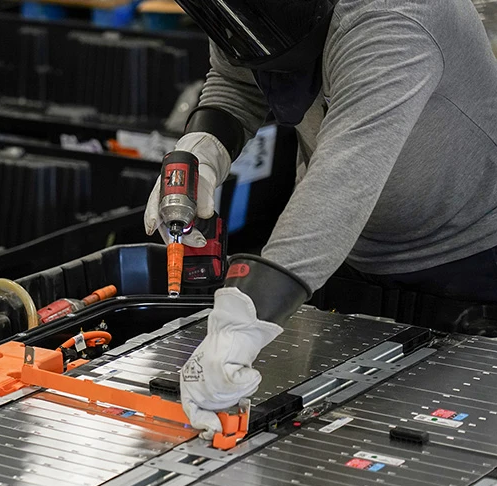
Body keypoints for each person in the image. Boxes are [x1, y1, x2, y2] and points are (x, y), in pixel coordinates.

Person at [144, 0, 497, 438]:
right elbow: (239, 78)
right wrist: (205, 147)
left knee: (442, 453)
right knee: (334, 437)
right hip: (344, 251)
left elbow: (346, 174)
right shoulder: (243, 10)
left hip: (471, 265)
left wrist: (244, 318)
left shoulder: (400, 13)